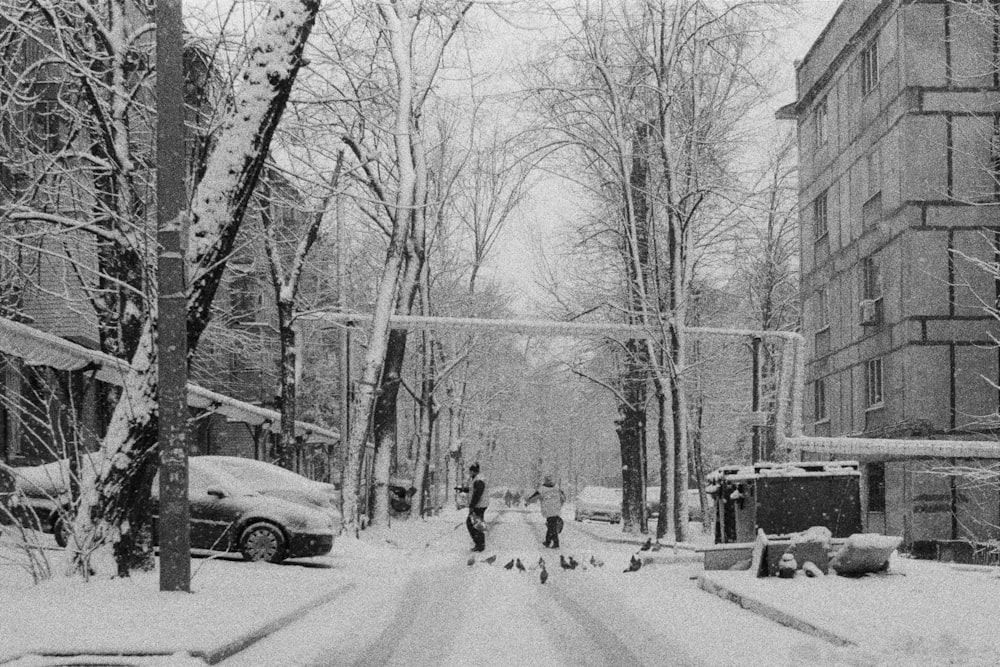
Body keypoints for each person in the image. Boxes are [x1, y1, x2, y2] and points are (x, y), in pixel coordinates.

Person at [527, 475, 566, 549]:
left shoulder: (542, 489)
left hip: (548, 510)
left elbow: (534, 497)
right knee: (551, 526)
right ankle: (548, 541)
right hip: (556, 509)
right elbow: (563, 497)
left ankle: (555, 543)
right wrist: (561, 504)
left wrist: (528, 502)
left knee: (552, 526)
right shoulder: (557, 488)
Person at [460, 463, 488, 552]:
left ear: (473, 471)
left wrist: (472, 505)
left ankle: (479, 545)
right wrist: (464, 490)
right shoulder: (478, 479)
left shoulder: (479, 480)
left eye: (470, 471)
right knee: (476, 524)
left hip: (478, 505)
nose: (469, 473)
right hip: (480, 505)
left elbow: (477, 494)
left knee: (472, 524)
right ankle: (480, 544)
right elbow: (474, 490)